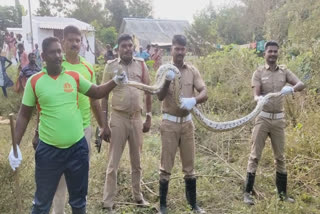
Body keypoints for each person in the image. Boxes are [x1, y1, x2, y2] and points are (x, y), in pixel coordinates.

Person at [7, 36, 127, 214]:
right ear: (43, 56)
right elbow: (24, 115)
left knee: (78, 202)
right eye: (52, 52)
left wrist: (115, 81)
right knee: (42, 203)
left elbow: (97, 91)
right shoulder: (35, 81)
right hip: (48, 152)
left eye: (59, 51)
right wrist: (15, 146)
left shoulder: (74, 77)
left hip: (77, 150)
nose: (58, 55)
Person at [51, 25, 108, 214]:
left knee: (80, 178)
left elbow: (94, 100)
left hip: (83, 130)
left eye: (78, 40)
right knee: (59, 182)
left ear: (81, 43)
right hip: (60, 133)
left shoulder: (87, 67)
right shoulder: (56, 66)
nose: (74, 44)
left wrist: (102, 125)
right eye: (71, 40)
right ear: (63, 42)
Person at [243, 41, 305, 205]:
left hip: (278, 120)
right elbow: (255, 94)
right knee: (255, 156)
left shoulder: (284, 72)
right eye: (270, 51)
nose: (272, 54)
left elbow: (301, 84)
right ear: (265, 53)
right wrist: (259, 98)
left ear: (278, 53)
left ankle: (282, 195)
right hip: (262, 118)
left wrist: (291, 89)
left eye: (275, 52)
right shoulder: (258, 72)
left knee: (281, 157)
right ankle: (247, 193)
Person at [156, 35, 208, 214]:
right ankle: (162, 205)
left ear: (186, 50)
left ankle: (193, 205)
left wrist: (194, 100)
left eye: (182, 49)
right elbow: (159, 96)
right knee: (166, 166)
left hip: (187, 124)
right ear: (171, 49)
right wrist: (167, 80)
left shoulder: (192, 71)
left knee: (190, 166)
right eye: (176, 48)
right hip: (169, 123)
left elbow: (204, 91)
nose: (179, 52)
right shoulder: (164, 70)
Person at [101, 34, 152, 213]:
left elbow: (147, 91)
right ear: (118, 49)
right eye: (124, 46)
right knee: (113, 162)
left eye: (130, 45)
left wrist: (149, 116)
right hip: (118, 118)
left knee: (136, 162)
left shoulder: (141, 64)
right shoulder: (111, 66)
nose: (128, 48)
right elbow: (104, 96)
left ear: (133, 47)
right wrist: (104, 124)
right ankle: (108, 202)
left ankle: (138, 196)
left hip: (136, 118)